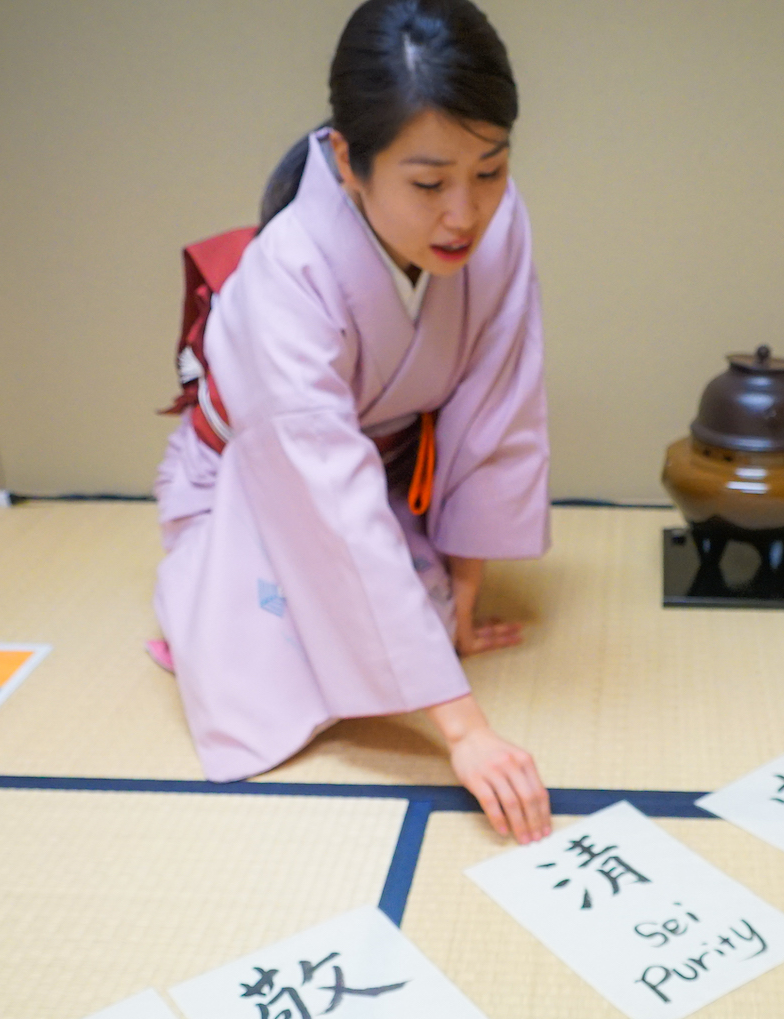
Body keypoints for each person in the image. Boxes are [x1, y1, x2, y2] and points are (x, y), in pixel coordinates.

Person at [151, 0, 552, 842]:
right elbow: (322, 494)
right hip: (256, 491)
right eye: (428, 181)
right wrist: (465, 733)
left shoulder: (495, 223)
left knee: (430, 625)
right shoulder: (287, 274)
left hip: (380, 479)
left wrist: (463, 603)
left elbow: (493, 408)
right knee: (264, 681)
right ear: (347, 160)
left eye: (491, 170)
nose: (465, 213)